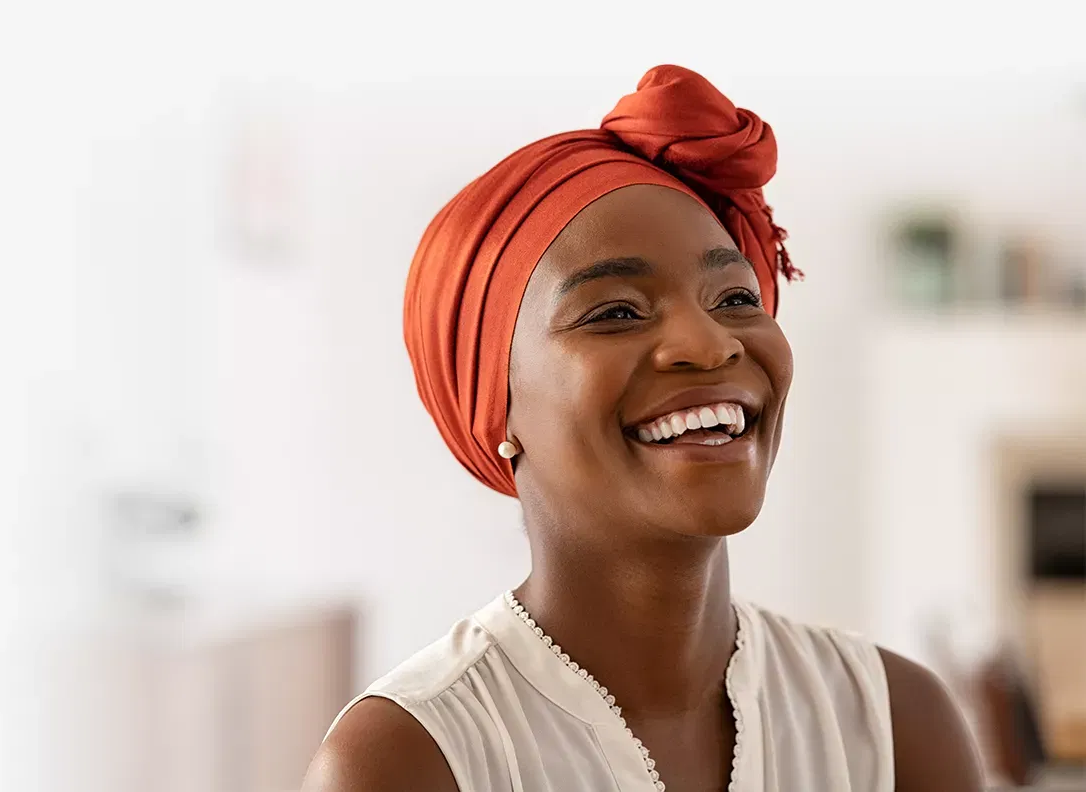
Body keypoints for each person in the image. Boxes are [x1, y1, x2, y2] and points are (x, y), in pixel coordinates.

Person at [301, 66, 984, 792]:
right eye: (616, 312)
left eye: (735, 297)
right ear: (495, 406)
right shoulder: (410, 760)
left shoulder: (894, 725)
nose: (711, 344)